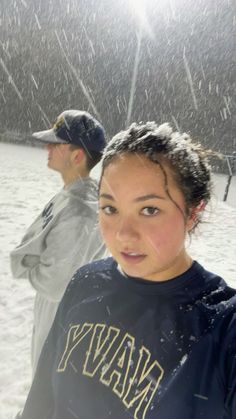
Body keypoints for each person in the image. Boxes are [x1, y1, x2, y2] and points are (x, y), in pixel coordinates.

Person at [20, 122, 236, 419]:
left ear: (192, 212)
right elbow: (42, 399)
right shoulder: (86, 282)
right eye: (110, 208)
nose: (123, 235)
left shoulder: (222, 325)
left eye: (149, 210)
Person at [10, 109, 107, 372]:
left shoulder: (80, 210)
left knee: (48, 378)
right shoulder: (73, 193)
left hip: (62, 316)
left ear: (77, 156)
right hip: (58, 309)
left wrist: (29, 265)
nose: (48, 148)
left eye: (57, 143)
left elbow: (55, 284)